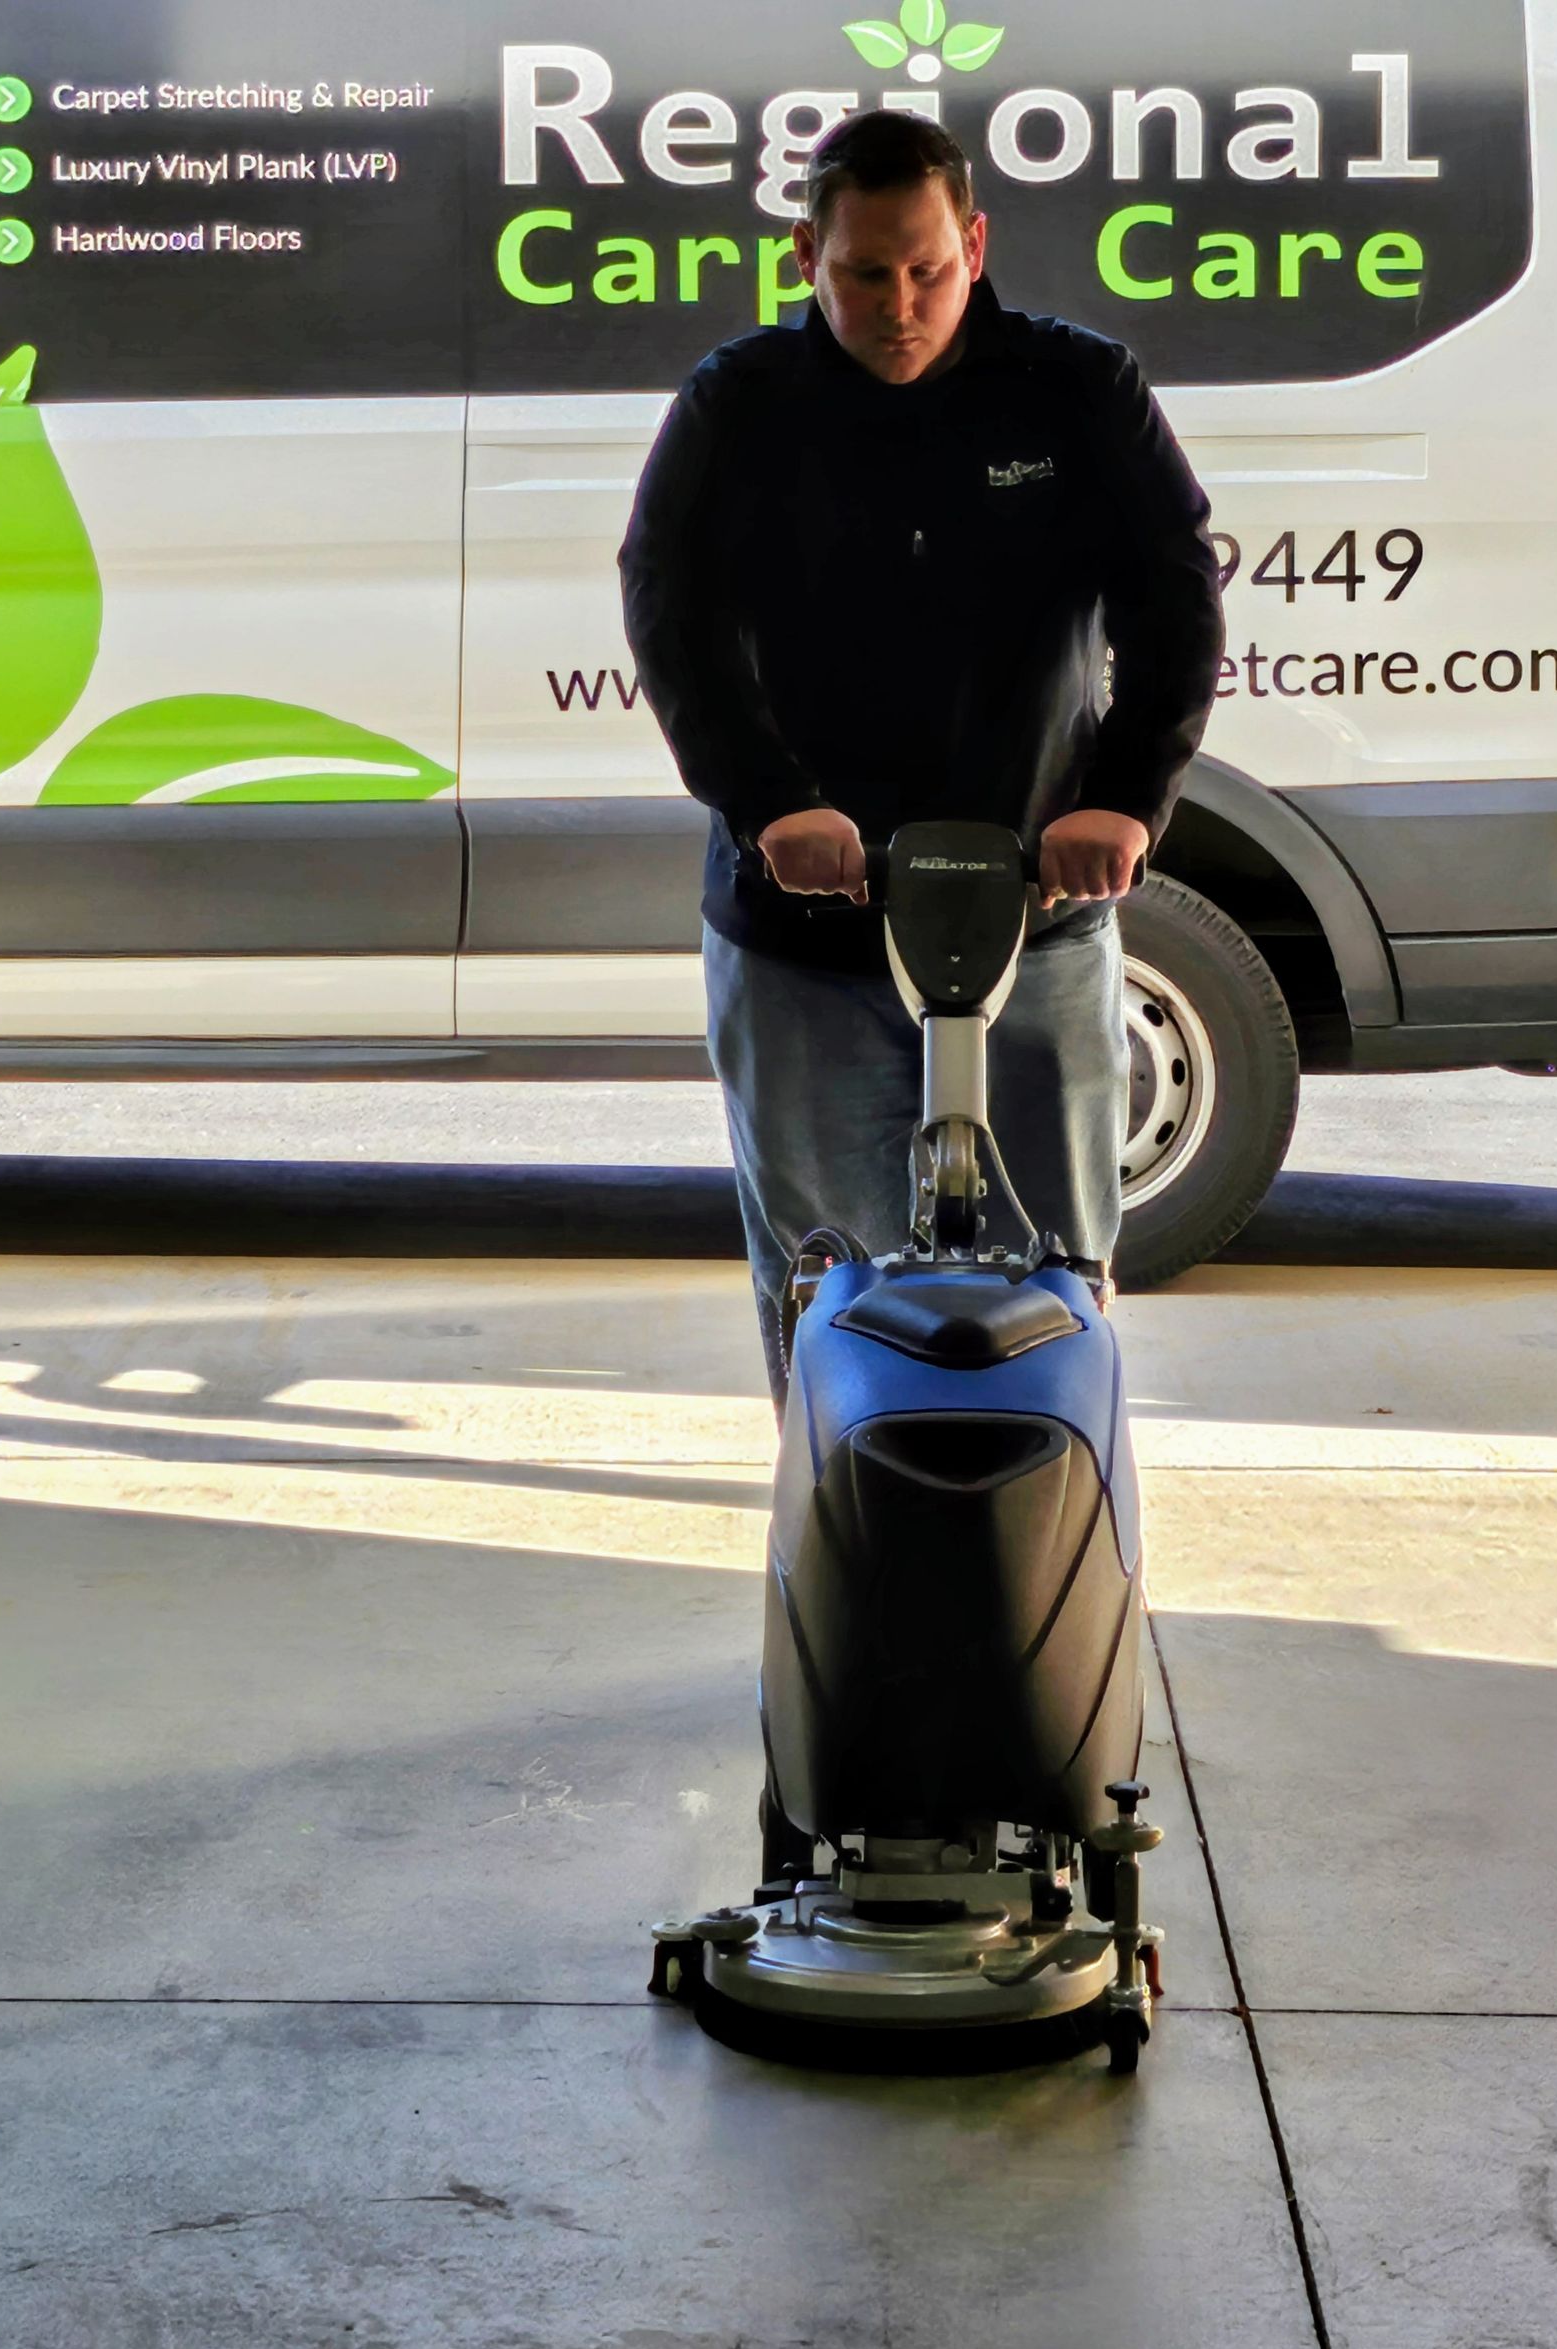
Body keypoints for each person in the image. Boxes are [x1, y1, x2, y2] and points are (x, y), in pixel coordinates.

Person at [619, 109, 1223, 1400]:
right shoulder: (740, 408)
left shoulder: (1075, 390)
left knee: (1056, 1282)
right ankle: (844, 1555)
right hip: (804, 939)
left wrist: (1121, 798)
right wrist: (772, 804)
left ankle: (1052, 1554)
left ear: (975, 243)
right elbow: (669, 616)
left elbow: (1174, 595)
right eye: (863, 274)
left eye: (928, 270)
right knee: (829, 1288)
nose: (900, 304)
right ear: (804, 257)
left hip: (1038, 924)